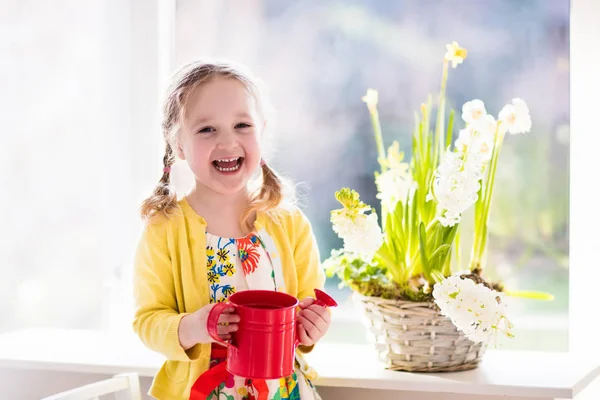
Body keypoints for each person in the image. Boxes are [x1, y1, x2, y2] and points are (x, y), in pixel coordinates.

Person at [132, 60, 331, 400]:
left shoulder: (289, 223)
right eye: (207, 129)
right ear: (178, 145)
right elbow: (148, 321)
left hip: (283, 389)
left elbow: (308, 306)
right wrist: (192, 326)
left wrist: (313, 327)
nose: (227, 142)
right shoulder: (164, 229)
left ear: (261, 133)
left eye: (242, 125)